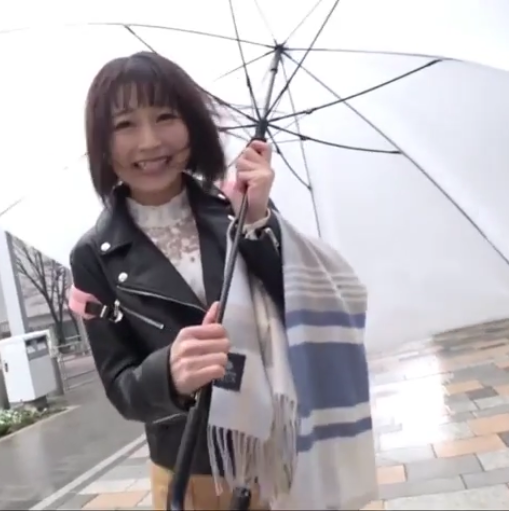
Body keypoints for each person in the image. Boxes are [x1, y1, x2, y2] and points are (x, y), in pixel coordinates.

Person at [68, 52, 376, 510]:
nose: (149, 141)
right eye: (125, 125)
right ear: (103, 144)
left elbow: (297, 311)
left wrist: (258, 222)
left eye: (165, 116)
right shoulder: (95, 255)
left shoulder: (237, 211)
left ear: (192, 126)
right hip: (191, 475)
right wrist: (169, 374)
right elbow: (121, 387)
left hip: (277, 459)